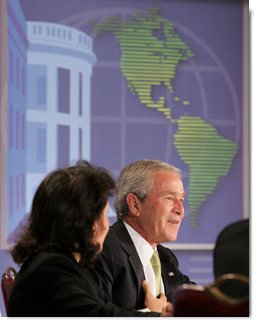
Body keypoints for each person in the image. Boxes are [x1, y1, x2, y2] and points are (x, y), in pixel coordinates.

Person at [8, 160, 172, 317]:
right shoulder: (50, 269)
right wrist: (159, 317)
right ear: (87, 221)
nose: (108, 226)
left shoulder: (55, 263)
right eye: (106, 215)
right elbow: (97, 315)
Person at [87, 159, 194, 311]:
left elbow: (201, 303)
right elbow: (93, 315)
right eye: (169, 198)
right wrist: (153, 316)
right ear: (135, 205)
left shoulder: (165, 257)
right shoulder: (105, 248)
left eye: (181, 199)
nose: (180, 209)